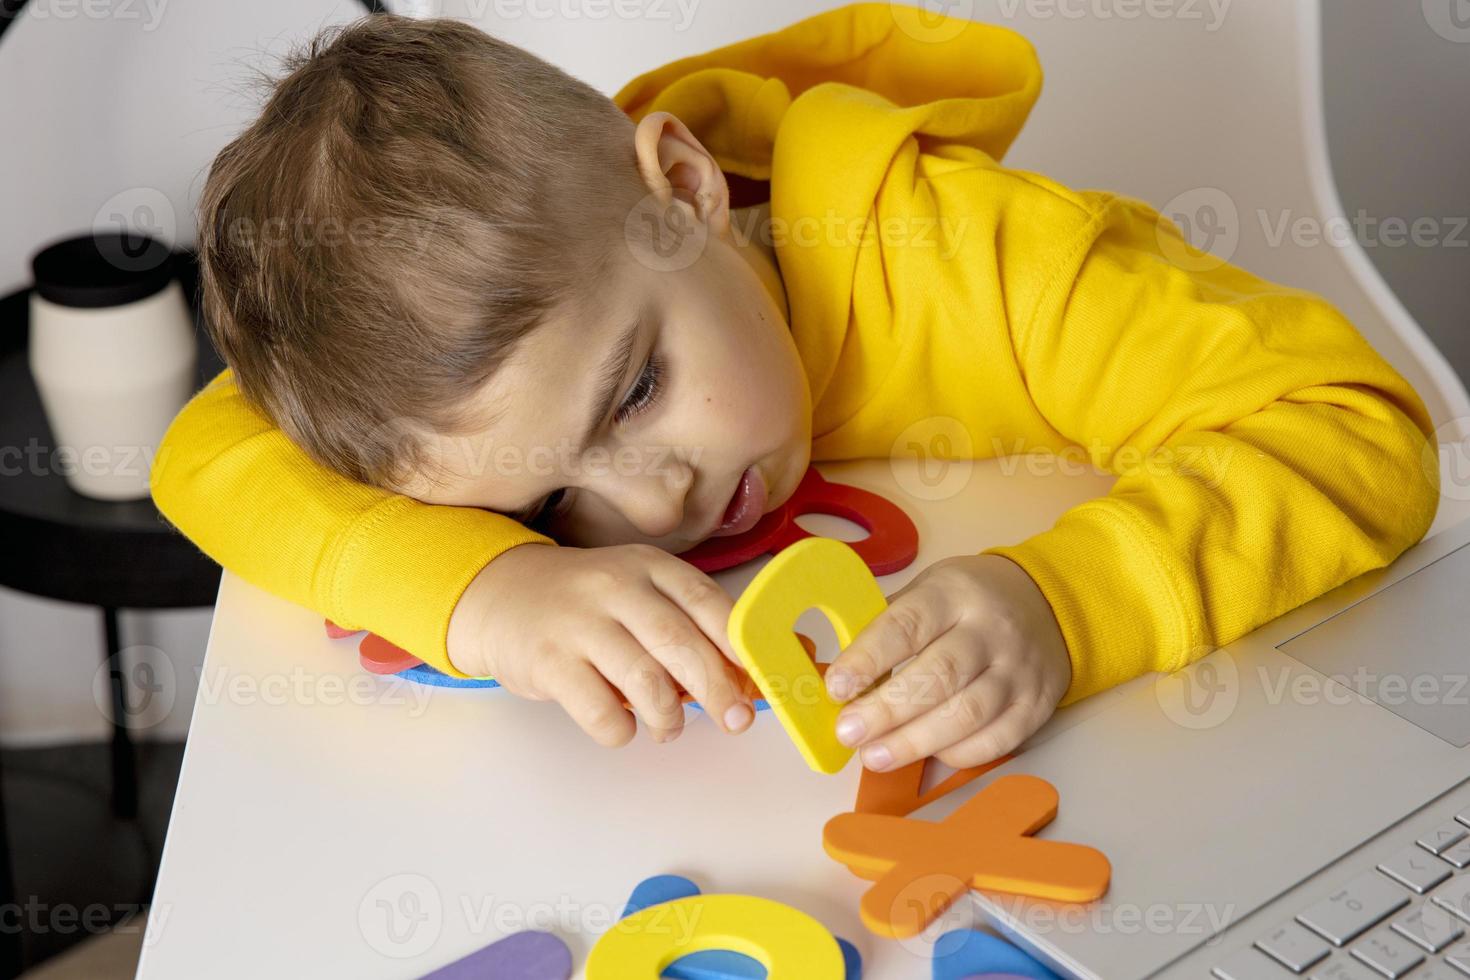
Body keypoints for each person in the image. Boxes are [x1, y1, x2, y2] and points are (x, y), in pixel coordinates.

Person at [151, 4, 1441, 774]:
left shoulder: (973, 254)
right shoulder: (511, 359)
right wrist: (487, 587)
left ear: (691, 193)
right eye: (547, 499)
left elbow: (1354, 425)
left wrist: (1062, 599)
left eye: (638, 389)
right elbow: (205, 458)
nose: (649, 506)